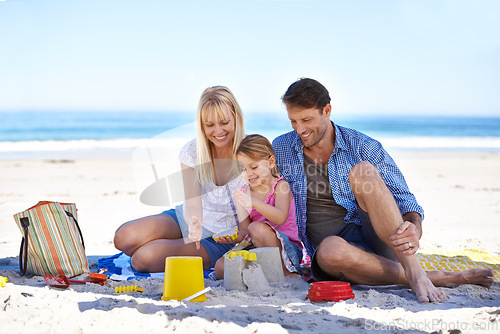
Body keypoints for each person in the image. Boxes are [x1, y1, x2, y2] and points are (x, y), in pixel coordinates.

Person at [272, 78, 494, 303]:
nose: (300, 130)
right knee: (331, 250)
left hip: (382, 241)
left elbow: (404, 198)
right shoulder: (281, 148)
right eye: (293, 121)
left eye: (307, 120)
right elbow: (255, 178)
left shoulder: (362, 145)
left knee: (364, 171)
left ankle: (414, 271)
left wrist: (414, 227)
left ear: (326, 110)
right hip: (334, 255)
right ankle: (432, 277)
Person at [114, 86, 245, 272]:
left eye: (224, 122)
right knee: (123, 237)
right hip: (190, 220)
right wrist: (194, 224)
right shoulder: (192, 151)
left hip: (222, 238)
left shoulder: (250, 152)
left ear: (236, 118)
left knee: (142, 260)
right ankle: (171, 244)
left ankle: (168, 247)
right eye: (209, 125)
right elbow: (192, 201)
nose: (218, 131)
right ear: (201, 124)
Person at [213, 134, 303, 279]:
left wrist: (254, 202)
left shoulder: (281, 187)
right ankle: (262, 274)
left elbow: (280, 218)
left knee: (257, 228)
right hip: (256, 246)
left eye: (253, 167)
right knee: (220, 267)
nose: (248, 173)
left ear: (270, 162)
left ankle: (285, 274)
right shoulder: (243, 194)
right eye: (243, 169)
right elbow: (244, 232)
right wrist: (233, 238)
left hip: (286, 251)